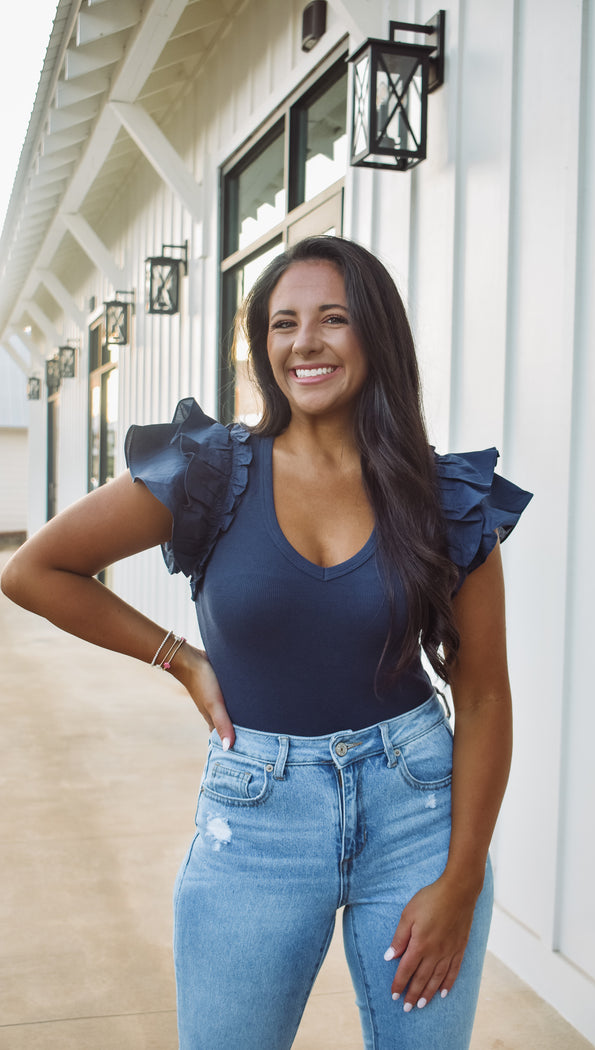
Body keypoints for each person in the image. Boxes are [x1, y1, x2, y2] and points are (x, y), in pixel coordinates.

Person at [1, 236, 531, 1050]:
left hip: (416, 809)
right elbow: (38, 570)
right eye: (283, 323)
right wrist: (179, 658)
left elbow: (486, 693)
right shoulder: (210, 471)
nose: (304, 342)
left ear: (376, 335)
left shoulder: (441, 497)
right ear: (263, 345)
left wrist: (460, 880)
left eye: (333, 319)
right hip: (257, 817)